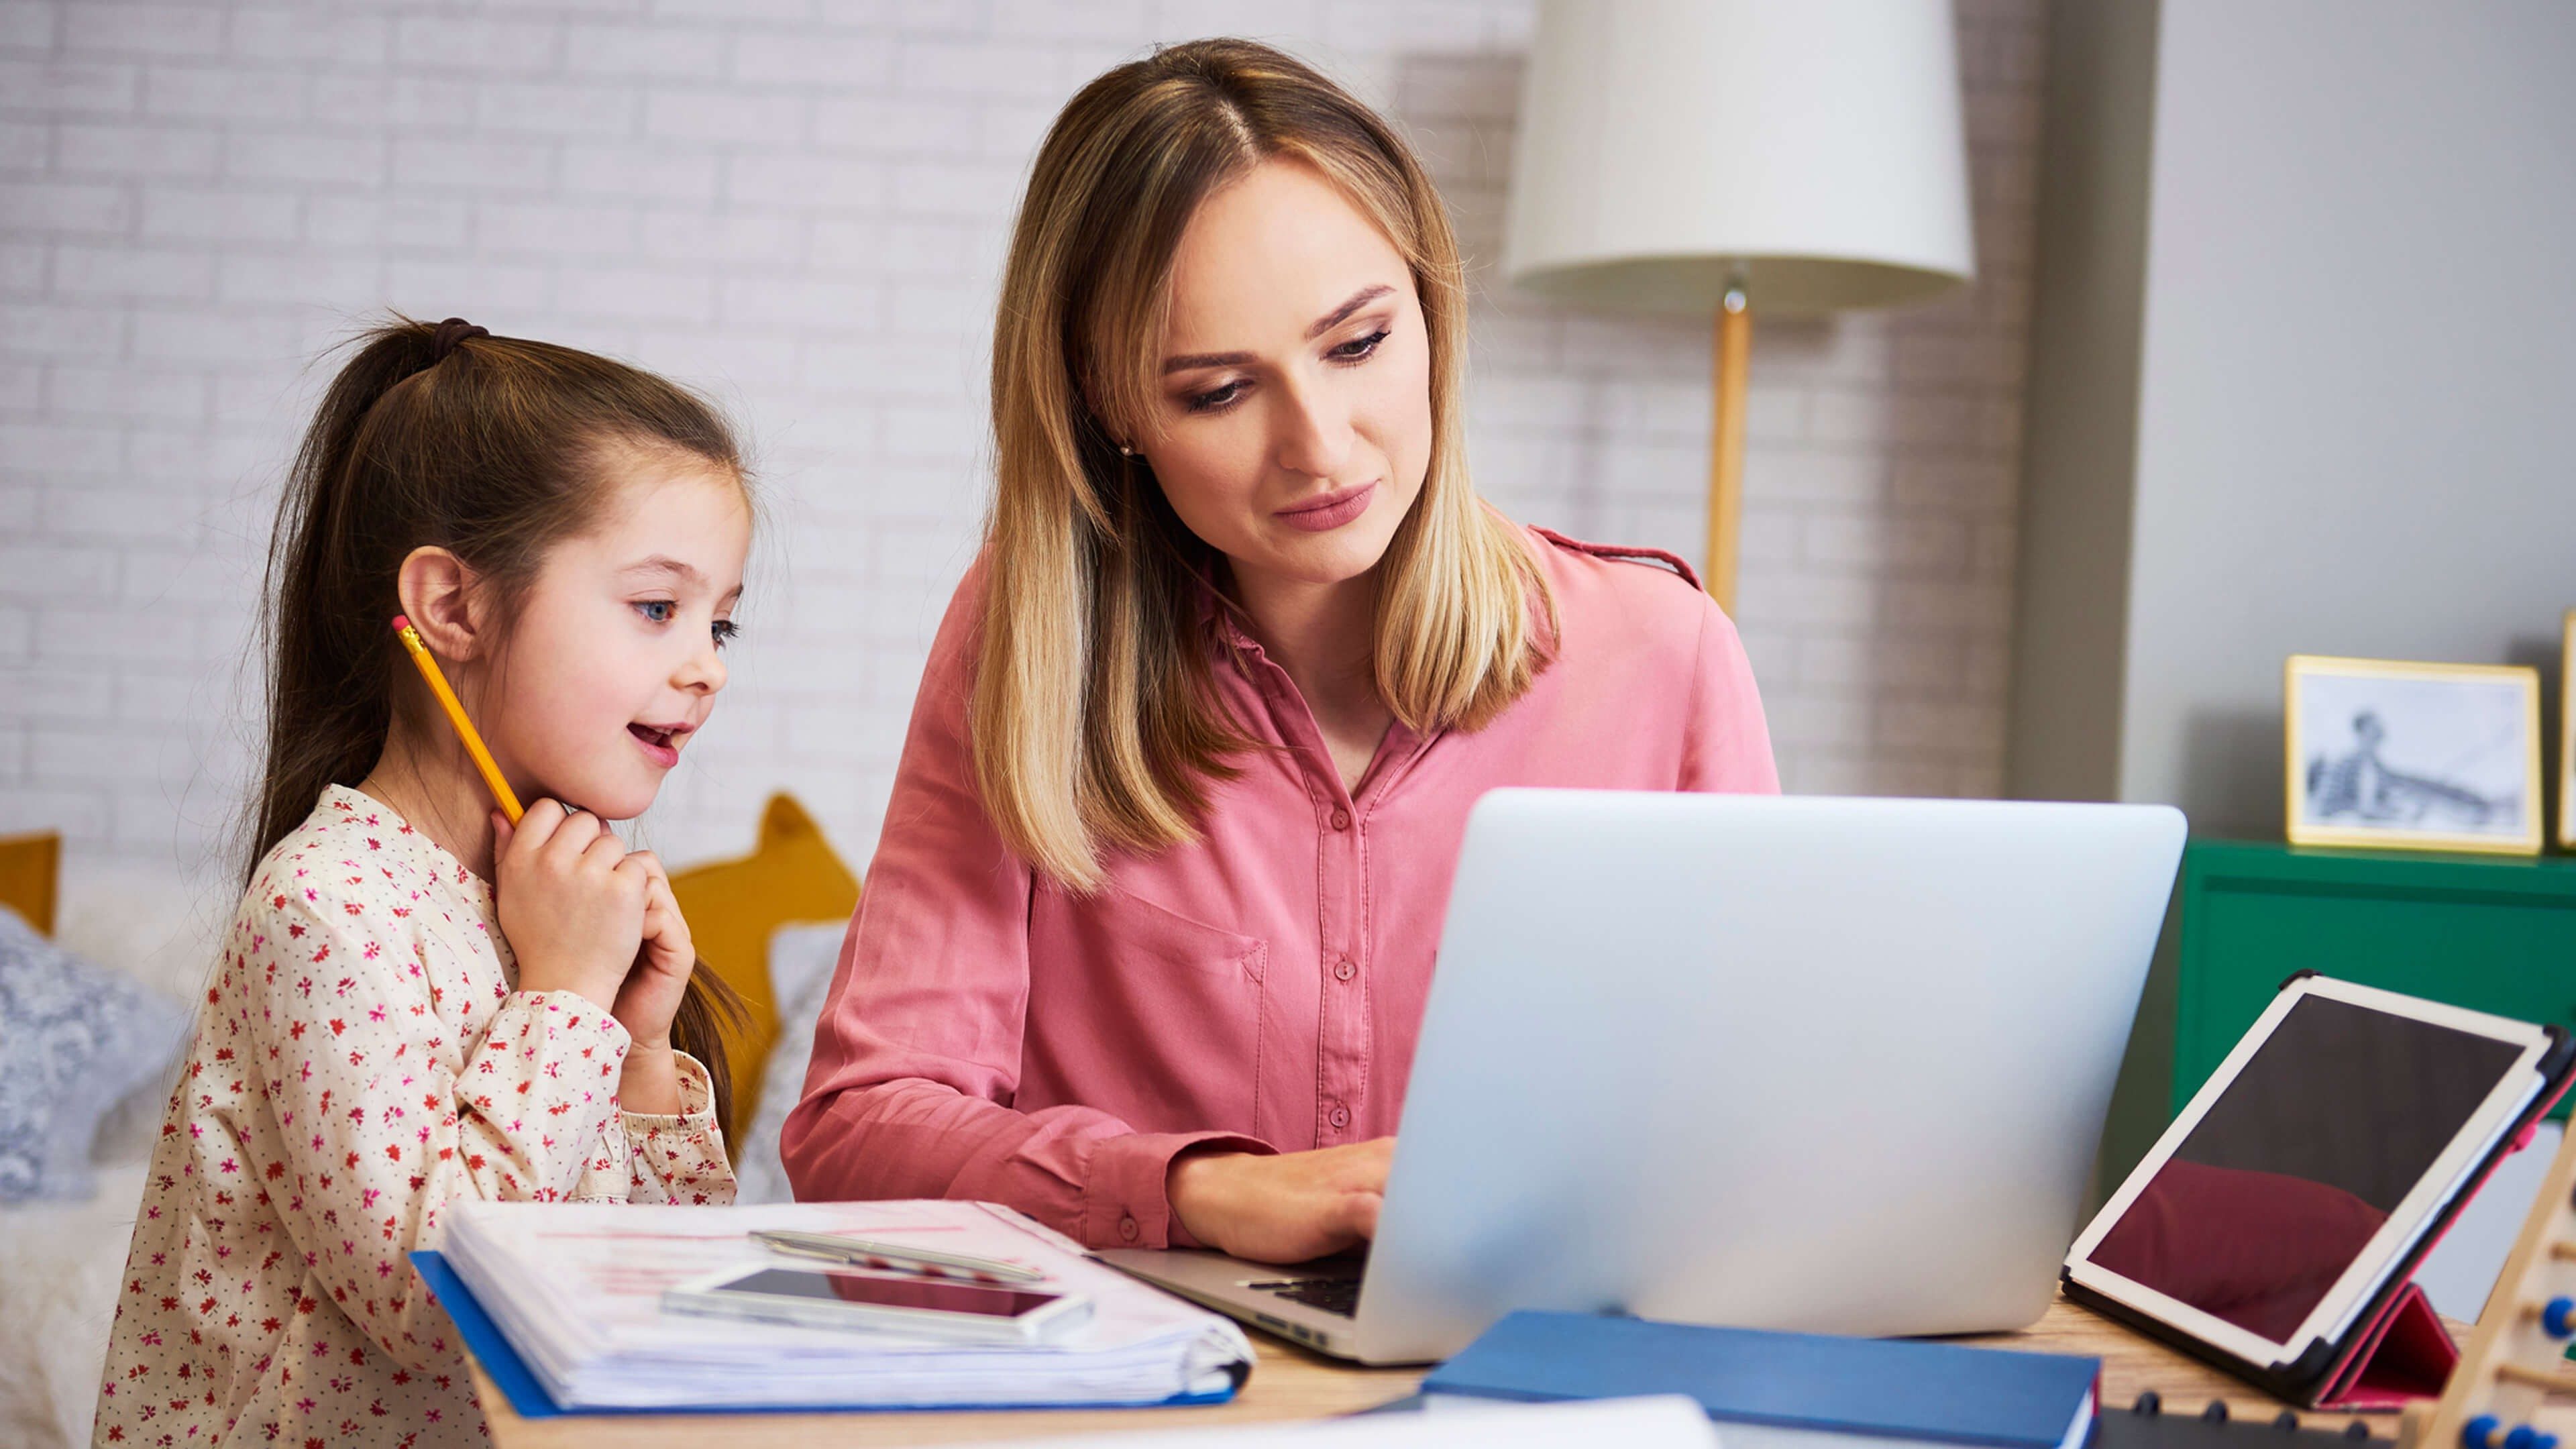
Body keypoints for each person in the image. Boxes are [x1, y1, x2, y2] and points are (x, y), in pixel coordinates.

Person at [784, 38, 1778, 1266]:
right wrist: (1196, 1194)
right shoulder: (1030, 639)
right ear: (1112, 411)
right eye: (1217, 392)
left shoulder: (1661, 655)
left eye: (1357, 345)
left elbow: (1757, 1134)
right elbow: (858, 1129)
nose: (1319, 447)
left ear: (1431, 313)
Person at [93, 317, 747, 1448]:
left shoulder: (542, 905)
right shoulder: (330, 909)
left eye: (723, 621)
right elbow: (435, 1306)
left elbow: (651, 1303)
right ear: (453, 609)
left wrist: (634, 1047)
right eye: (657, 607)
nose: (707, 667)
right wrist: (565, 1005)